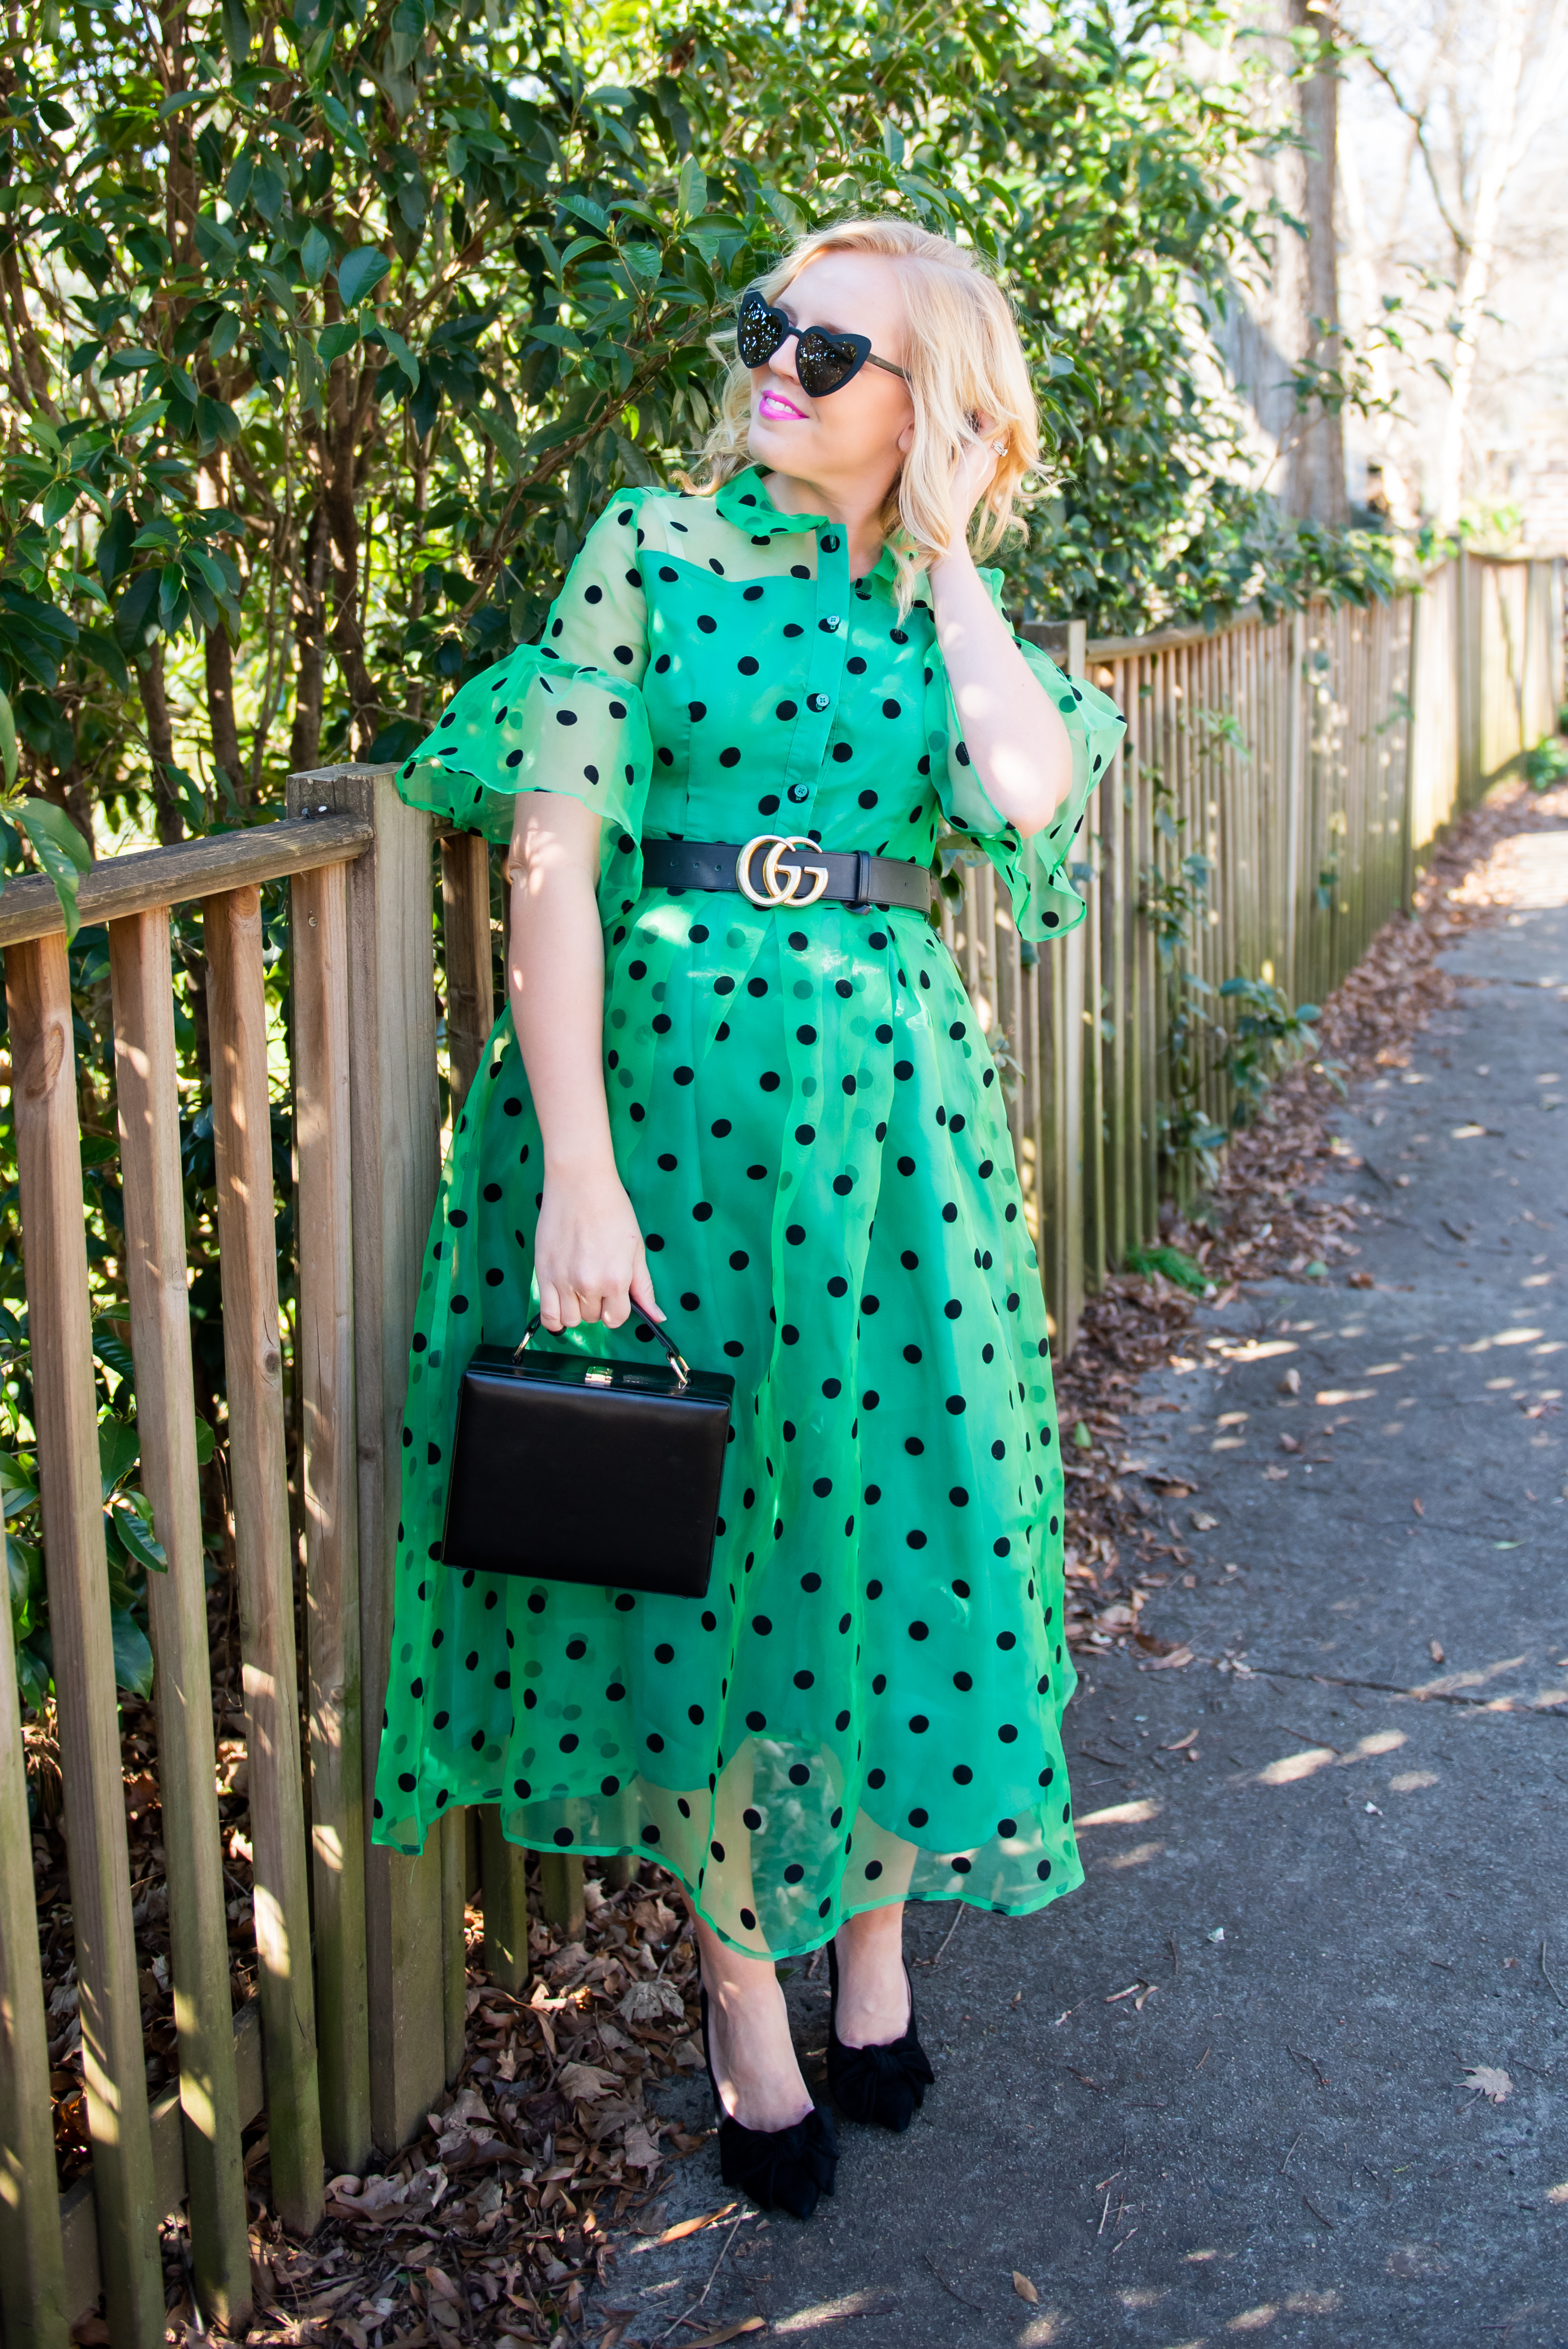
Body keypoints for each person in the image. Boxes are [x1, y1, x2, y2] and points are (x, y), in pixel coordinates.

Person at [372, 215, 1125, 2217]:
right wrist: (581, 1166)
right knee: (698, 1544)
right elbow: (553, 863)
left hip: (896, 1142)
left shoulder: (933, 601)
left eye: (834, 350)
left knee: (901, 1518)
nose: (780, 366)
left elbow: (1031, 791)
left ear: (934, 406)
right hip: (676, 1113)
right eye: (771, 330)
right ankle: (740, 1998)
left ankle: (870, 1943)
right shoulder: (649, 545)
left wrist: (955, 556)